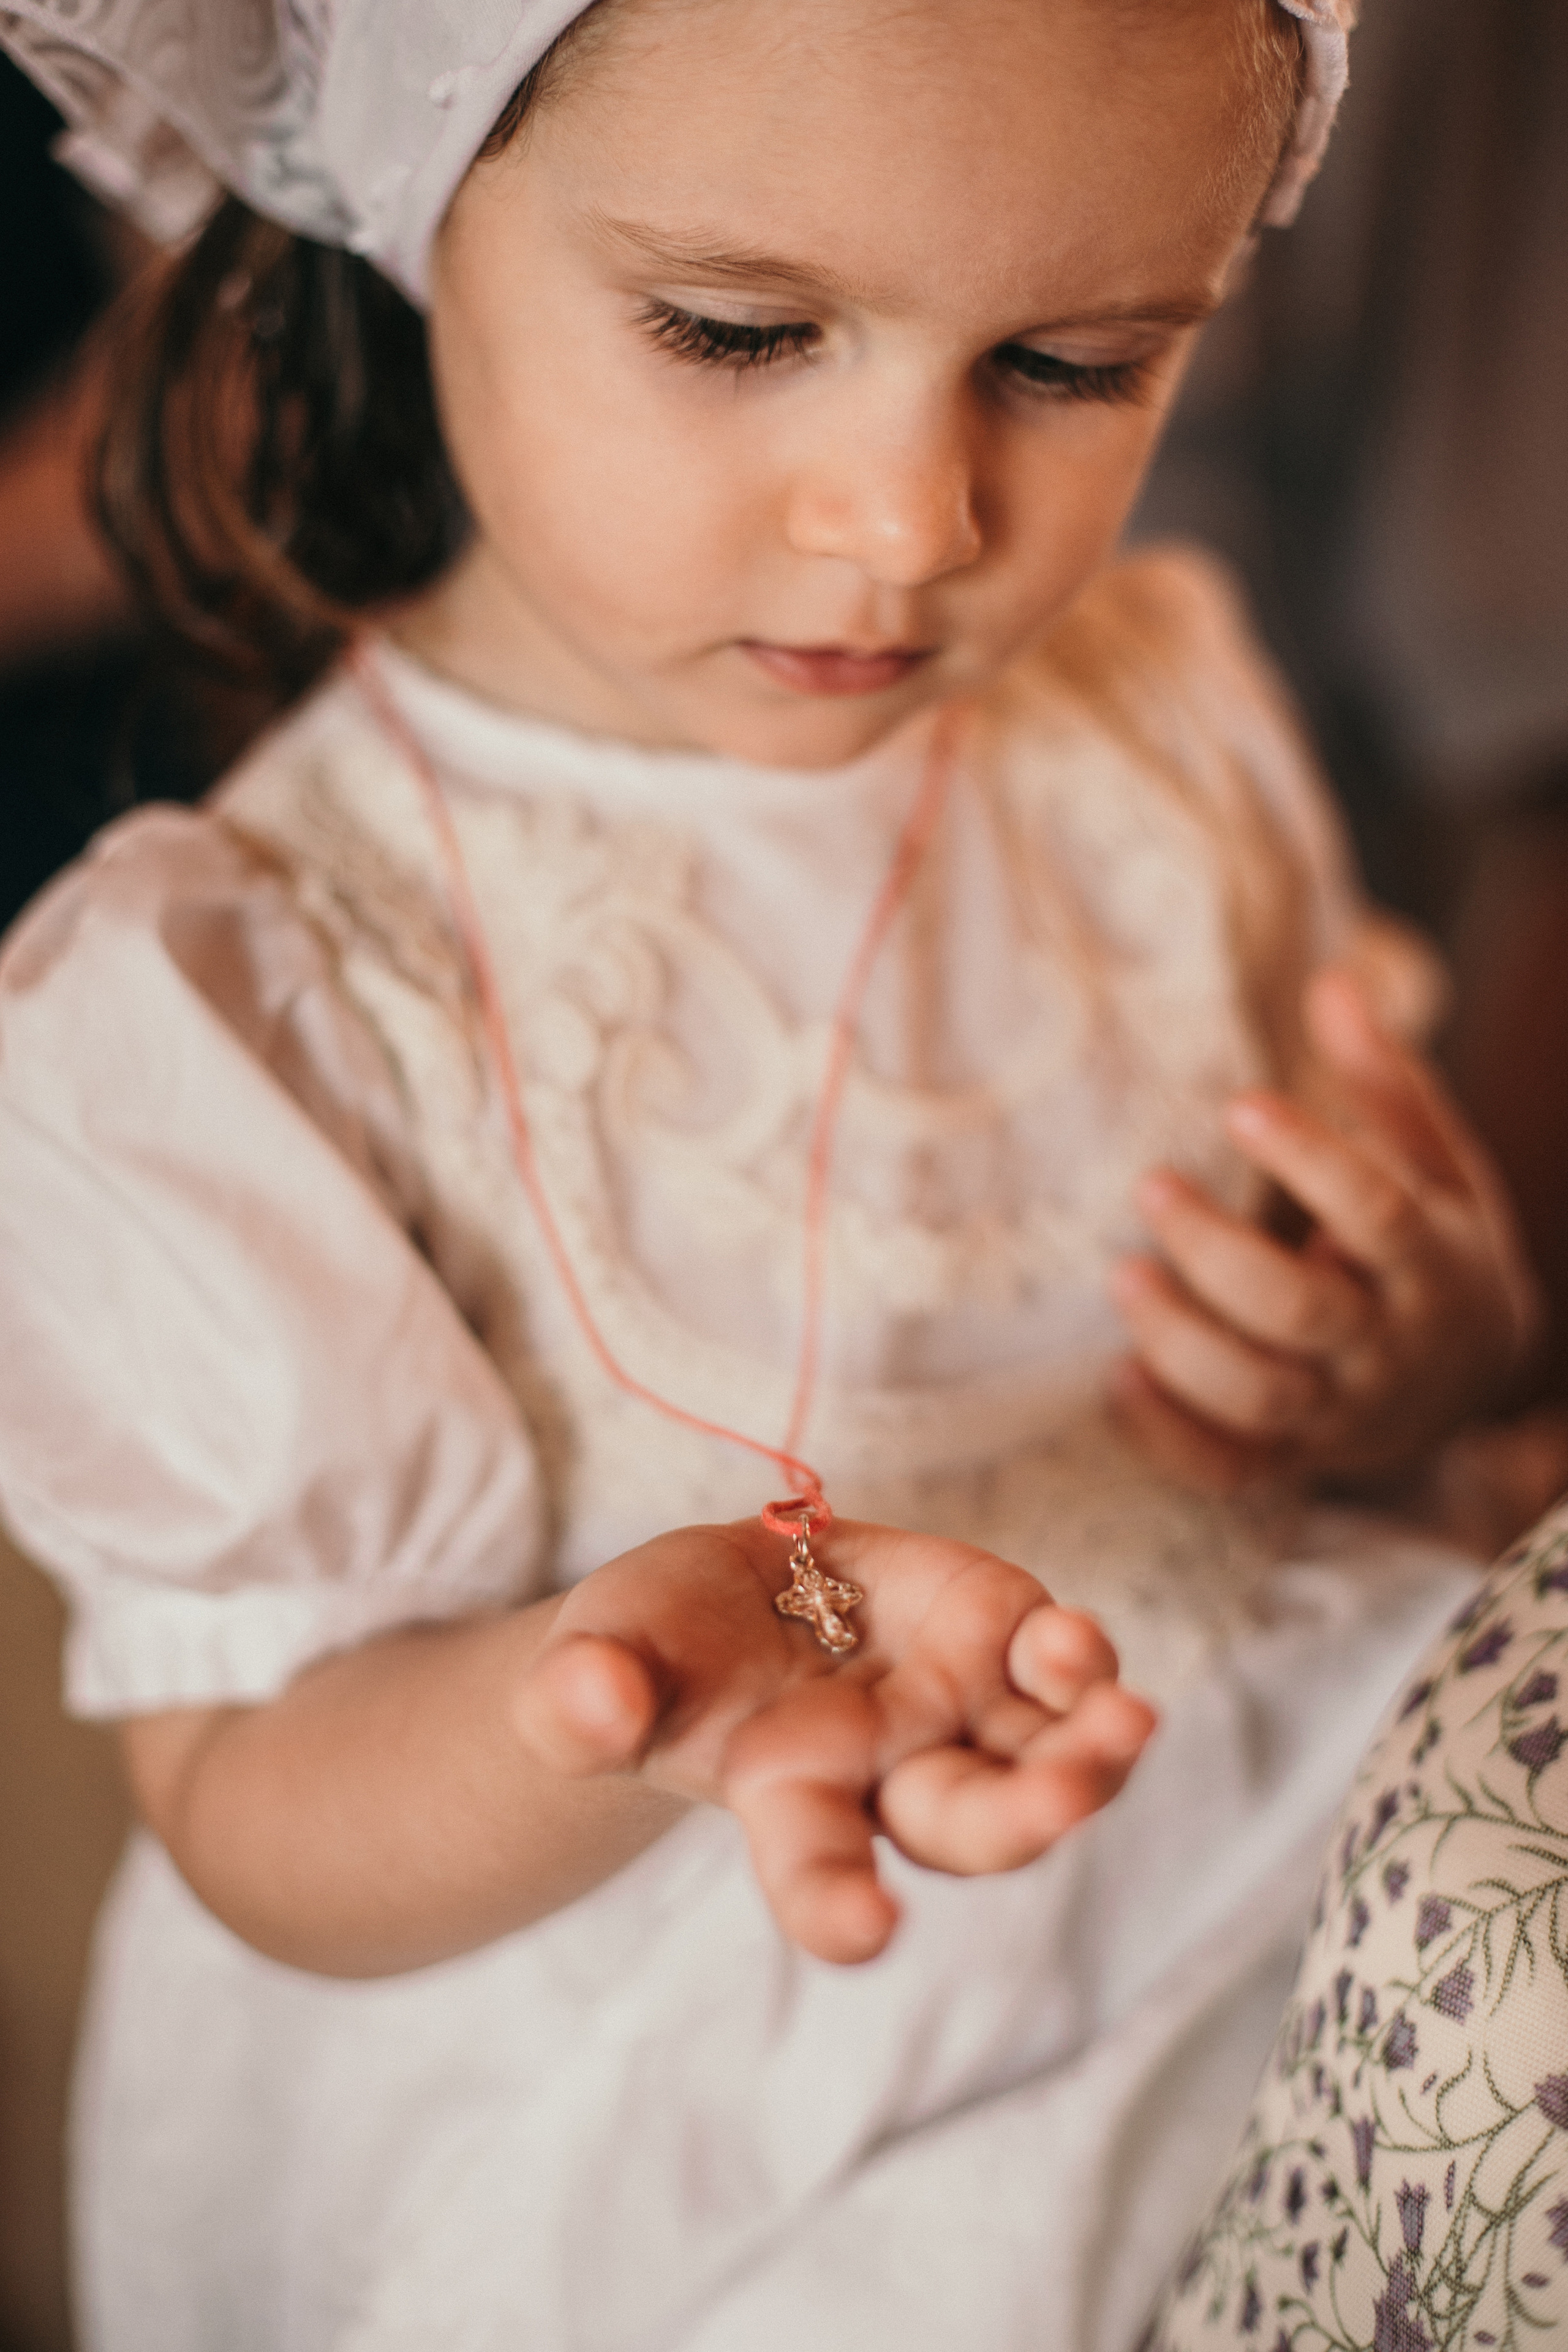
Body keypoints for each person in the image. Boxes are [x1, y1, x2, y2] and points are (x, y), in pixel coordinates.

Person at [0, 2, 1537, 2346]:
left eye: (1073, 362)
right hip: (679, 2116)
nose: (910, 520)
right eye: (739, 330)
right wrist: (620, 1690)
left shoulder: (1159, 708)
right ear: (421, 213)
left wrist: (1402, 1350)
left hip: (1251, 1856)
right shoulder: (238, 1001)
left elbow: (1365, 1363)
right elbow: (248, 1795)